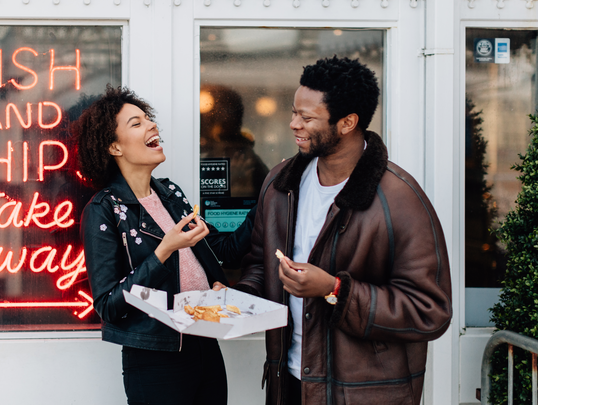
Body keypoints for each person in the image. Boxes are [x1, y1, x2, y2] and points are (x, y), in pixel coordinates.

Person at [230, 56, 452, 404]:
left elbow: (430, 311)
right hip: (289, 382)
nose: (293, 124)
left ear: (348, 122)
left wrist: (334, 289)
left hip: (365, 393)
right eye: (293, 113)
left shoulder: (401, 199)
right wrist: (235, 300)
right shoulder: (280, 183)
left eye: (306, 117)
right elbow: (260, 263)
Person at [77, 85, 254, 405]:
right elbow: (108, 305)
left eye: (148, 119)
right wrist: (164, 250)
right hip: (155, 359)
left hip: (205, 344)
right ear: (114, 146)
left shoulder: (171, 194)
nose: (152, 125)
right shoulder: (103, 209)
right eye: (137, 123)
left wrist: (268, 198)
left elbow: (224, 251)